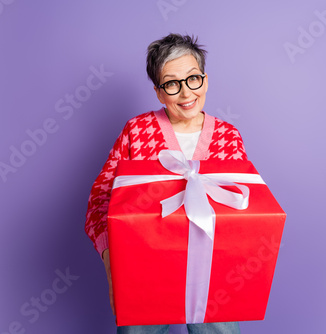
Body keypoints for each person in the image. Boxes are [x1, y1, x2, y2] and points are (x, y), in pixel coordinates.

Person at [84, 33, 247, 334]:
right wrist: (111, 264)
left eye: (193, 79)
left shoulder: (228, 136)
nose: (186, 93)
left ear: (205, 80)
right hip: (144, 270)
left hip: (211, 272)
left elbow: (242, 209)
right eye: (172, 83)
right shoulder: (137, 131)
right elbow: (100, 202)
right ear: (159, 93)